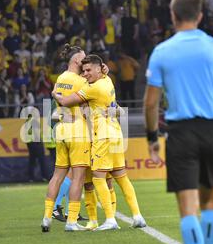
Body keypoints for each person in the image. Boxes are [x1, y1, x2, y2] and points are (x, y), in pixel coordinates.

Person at [144, 0, 213, 244]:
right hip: (212, 130)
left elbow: (150, 102)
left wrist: (151, 138)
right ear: (200, 15)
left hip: (181, 132)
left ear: (172, 16)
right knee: (210, 204)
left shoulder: (162, 51)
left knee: (188, 209)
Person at [53, 54, 147, 231]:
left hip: (102, 136)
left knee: (97, 178)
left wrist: (55, 94)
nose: (85, 73)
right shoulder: (108, 80)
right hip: (116, 134)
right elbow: (117, 109)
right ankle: (137, 216)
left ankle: (110, 219)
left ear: (98, 68)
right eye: (84, 70)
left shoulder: (92, 89)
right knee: (122, 177)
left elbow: (65, 101)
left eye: (88, 70)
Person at [40, 44, 91, 232]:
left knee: (57, 176)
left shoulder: (60, 78)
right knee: (78, 177)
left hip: (61, 130)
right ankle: (71, 220)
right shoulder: (81, 81)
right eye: (83, 57)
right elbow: (88, 107)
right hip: (77, 130)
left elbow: (57, 99)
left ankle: (47, 217)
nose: (86, 60)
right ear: (77, 60)